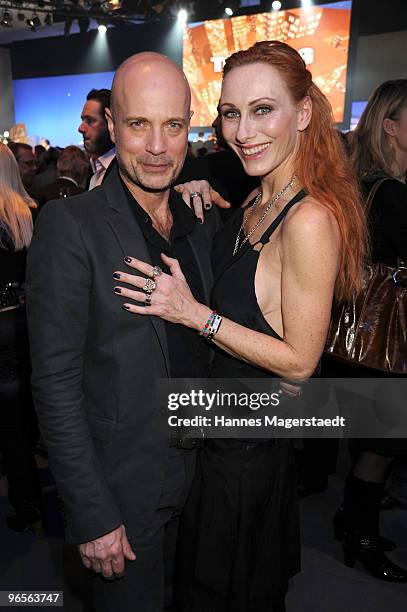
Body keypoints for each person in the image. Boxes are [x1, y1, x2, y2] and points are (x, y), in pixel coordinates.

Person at [116, 40, 367, 610]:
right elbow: (247, 279)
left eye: (262, 110)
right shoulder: (258, 198)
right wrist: (195, 198)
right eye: (231, 112)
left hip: (245, 457)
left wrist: (191, 313)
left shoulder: (307, 219)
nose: (242, 130)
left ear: (303, 113)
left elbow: (301, 362)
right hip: (219, 441)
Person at [26, 52, 220, 612]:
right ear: (113, 125)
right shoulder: (70, 225)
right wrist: (90, 513)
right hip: (124, 492)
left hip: (203, 483)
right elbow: (56, 384)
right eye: (139, 124)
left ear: (190, 126)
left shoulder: (199, 221)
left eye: (173, 126)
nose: (158, 146)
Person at [332, 79, 407, 582]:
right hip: (386, 339)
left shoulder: (364, 182)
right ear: (390, 126)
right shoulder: (392, 193)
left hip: (363, 339)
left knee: (378, 440)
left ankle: (351, 522)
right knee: (383, 444)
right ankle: (358, 534)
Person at [0, 143, 41, 533]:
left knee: (10, 423)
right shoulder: (30, 211)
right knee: (26, 415)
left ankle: (25, 502)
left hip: (2, 328)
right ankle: (33, 496)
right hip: (28, 323)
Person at [78, 88, 116, 189]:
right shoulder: (93, 171)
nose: (80, 128)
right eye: (83, 120)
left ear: (111, 123)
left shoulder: (126, 175)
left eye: (90, 121)